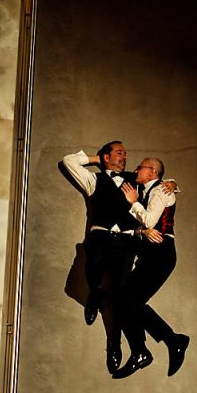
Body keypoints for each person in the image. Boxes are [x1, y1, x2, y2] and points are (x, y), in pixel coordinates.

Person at [60, 142, 142, 374]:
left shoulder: (134, 179)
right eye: (119, 152)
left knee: (118, 295)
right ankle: (94, 294)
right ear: (106, 156)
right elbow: (69, 161)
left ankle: (114, 343)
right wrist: (97, 159)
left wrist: (170, 183)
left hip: (126, 242)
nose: (124, 156)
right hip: (100, 237)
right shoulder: (94, 180)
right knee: (92, 269)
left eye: (126, 153)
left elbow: (158, 180)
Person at [110, 157, 189, 378]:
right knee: (127, 301)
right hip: (150, 255)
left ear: (152, 172)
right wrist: (141, 231)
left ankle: (145, 350)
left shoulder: (160, 191)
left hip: (160, 254)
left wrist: (133, 202)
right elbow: (144, 226)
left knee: (127, 300)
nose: (135, 169)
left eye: (140, 167)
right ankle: (168, 342)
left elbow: (150, 219)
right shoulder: (148, 190)